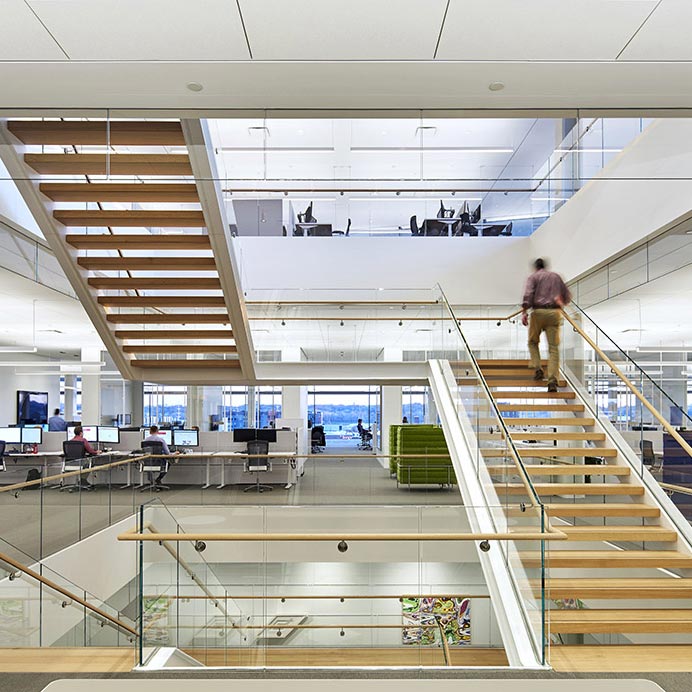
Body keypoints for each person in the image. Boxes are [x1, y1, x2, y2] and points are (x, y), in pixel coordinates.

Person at [521, 258, 572, 393]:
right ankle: (552, 381)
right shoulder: (556, 277)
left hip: (538, 312)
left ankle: (538, 368)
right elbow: (567, 296)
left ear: (536, 267)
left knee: (532, 342)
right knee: (554, 348)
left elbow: (528, 295)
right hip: (555, 312)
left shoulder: (533, 277)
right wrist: (561, 303)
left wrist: (524, 312)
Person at [70, 425, 100, 489]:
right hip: (81, 463)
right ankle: (83, 480)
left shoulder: (70, 441)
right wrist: (97, 452)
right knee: (90, 464)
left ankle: (82, 481)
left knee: (86, 464)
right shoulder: (83, 440)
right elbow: (90, 451)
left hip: (71, 463)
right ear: (81, 433)